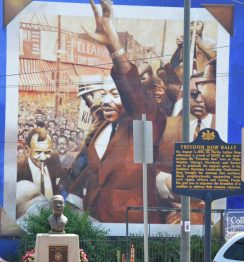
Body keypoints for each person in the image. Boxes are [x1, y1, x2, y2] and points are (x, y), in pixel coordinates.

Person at [69, 0, 167, 223]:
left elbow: (135, 96)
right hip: (96, 225)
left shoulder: (148, 121)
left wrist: (113, 42)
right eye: (103, 94)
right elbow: (92, 173)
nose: (105, 100)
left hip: (132, 228)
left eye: (115, 93)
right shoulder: (102, 126)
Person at [156, 69, 216, 224]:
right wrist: (164, 180)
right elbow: (150, 166)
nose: (200, 100)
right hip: (173, 219)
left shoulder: (226, 126)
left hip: (215, 221)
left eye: (203, 93)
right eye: (193, 94)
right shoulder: (167, 126)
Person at [17, 128, 62, 202]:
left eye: (47, 152)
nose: (43, 158)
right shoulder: (18, 170)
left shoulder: (54, 158)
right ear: (27, 150)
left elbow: (58, 182)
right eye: (38, 152)